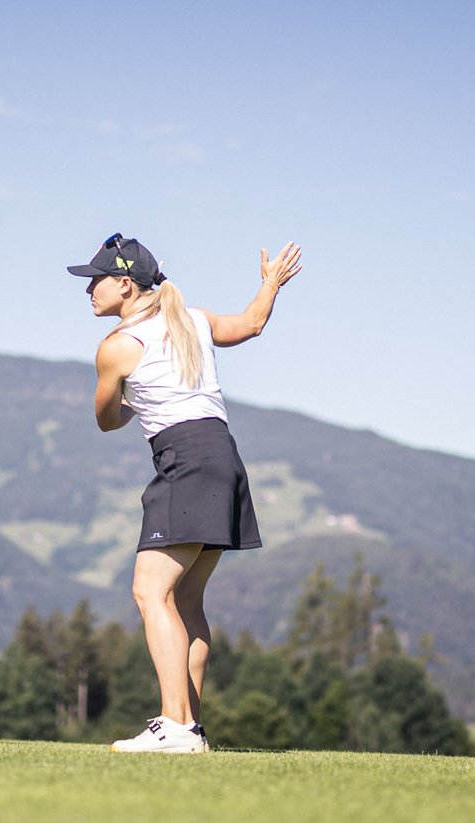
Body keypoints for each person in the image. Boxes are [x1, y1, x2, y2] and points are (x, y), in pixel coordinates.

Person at [69, 232, 303, 753]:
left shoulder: (117, 347)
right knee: (187, 600)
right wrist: (269, 285)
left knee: (150, 593)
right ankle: (190, 729)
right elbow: (251, 324)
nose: (88, 291)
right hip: (224, 459)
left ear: (125, 285)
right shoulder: (193, 319)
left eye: (96, 281)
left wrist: (130, 401)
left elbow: (106, 420)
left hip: (186, 462)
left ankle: (174, 726)